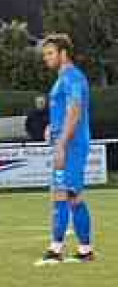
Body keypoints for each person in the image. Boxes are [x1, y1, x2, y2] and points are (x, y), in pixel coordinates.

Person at [39, 34, 94, 265]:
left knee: (64, 194)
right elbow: (64, 111)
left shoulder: (73, 77)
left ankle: (57, 249)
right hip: (65, 141)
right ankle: (83, 250)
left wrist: (61, 142)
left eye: (50, 53)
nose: (46, 58)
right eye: (45, 54)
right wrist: (52, 127)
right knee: (69, 196)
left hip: (71, 144)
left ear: (63, 53)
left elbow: (75, 111)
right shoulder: (62, 79)